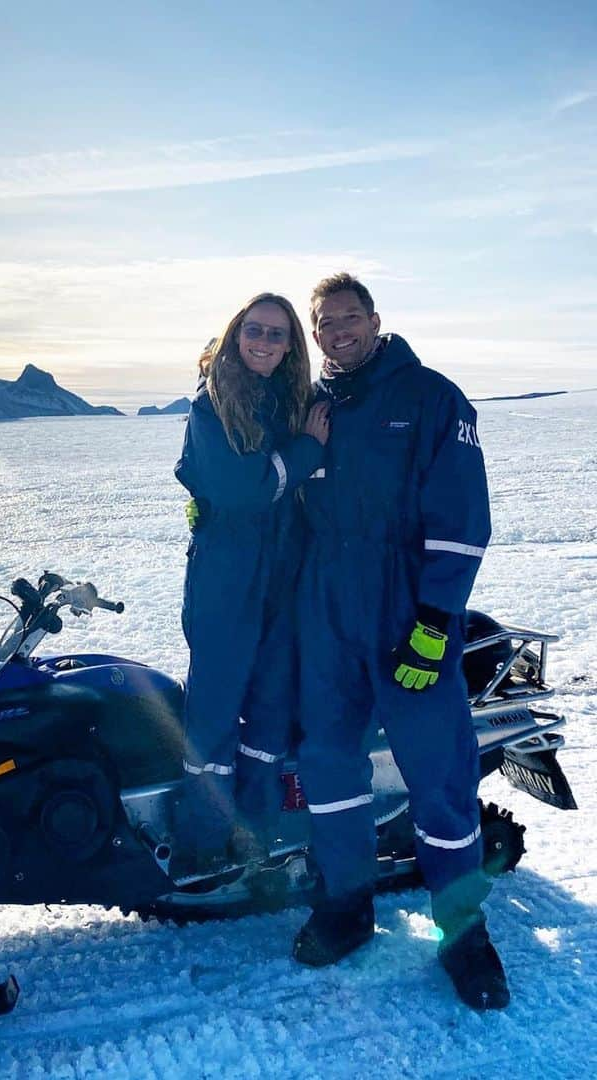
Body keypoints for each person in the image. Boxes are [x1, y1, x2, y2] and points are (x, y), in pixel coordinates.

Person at [292, 271, 506, 1010]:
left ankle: (463, 932)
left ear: (375, 320)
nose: (339, 331)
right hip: (325, 614)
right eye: (327, 322)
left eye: (351, 318)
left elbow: (462, 517)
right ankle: (347, 907)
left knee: (439, 772)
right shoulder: (312, 405)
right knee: (327, 761)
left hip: (403, 610)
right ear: (314, 331)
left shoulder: (429, 398)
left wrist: (435, 621)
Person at [171, 293, 330, 882]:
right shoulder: (211, 406)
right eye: (254, 330)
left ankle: (259, 833)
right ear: (236, 334)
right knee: (213, 709)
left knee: (271, 706)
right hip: (226, 578)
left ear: (292, 347)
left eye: (277, 335)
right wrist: (307, 451)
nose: (264, 342)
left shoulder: (293, 401)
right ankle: (205, 842)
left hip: (284, 574)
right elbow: (247, 489)